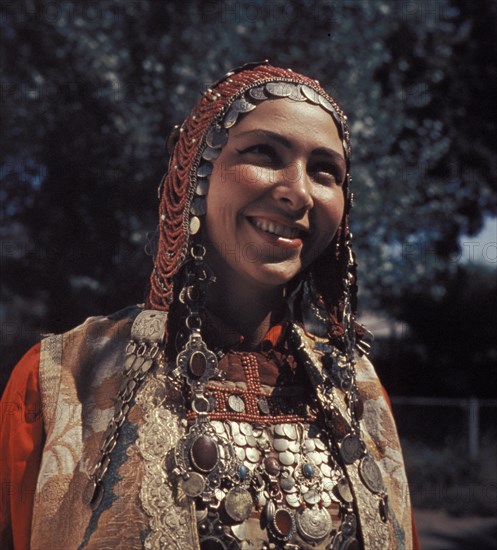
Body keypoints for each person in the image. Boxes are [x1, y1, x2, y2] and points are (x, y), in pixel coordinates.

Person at [0, 61, 419, 549]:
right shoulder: (61, 380)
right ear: (196, 172)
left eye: (325, 171)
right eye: (264, 151)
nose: (298, 191)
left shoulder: (360, 391)